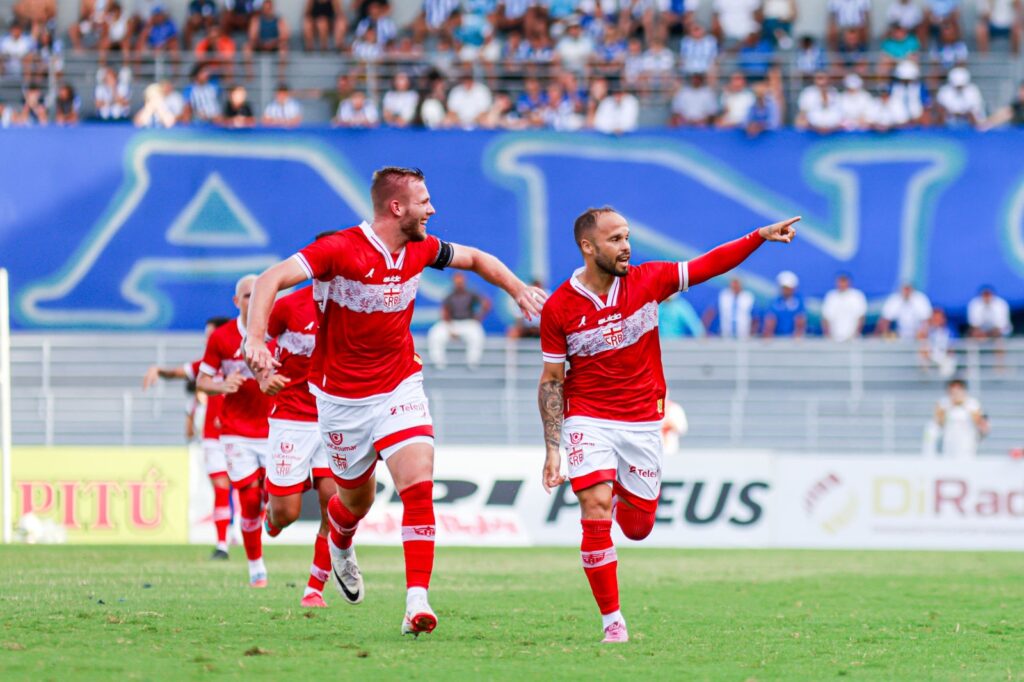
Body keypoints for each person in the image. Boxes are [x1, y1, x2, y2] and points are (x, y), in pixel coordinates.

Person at [244, 167, 546, 636]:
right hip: (340, 398)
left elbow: (478, 259)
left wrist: (518, 290)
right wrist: (256, 339)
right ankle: (341, 540)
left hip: (400, 385)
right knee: (354, 501)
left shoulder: (423, 248)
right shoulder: (339, 249)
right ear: (396, 208)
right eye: (425, 201)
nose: (433, 209)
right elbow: (269, 280)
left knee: (418, 484)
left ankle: (416, 603)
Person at [538, 207, 799, 643]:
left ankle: (620, 489)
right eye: (616, 239)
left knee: (638, 528)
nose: (626, 247)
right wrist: (552, 448)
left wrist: (759, 235)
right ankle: (612, 622)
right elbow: (551, 381)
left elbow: (708, 265)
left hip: (643, 420)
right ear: (588, 247)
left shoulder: (649, 280)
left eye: (627, 237)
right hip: (588, 417)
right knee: (595, 509)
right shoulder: (560, 307)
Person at [259, 278, 336, 608]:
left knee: (336, 507)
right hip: (291, 417)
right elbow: (256, 344)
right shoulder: (289, 306)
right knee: (287, 513)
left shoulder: (359, 305)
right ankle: (272, 517)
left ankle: (314, 588)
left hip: (337, 417)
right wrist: (263, 375)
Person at [197, 276, 273, 587]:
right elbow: (201, 381)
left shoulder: (278, 330)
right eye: (246, 296)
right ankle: (256, 565)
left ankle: (272, 516)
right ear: (236, 301)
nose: (252, 301)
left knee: (276, 497)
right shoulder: (222, 337)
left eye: (258, 295)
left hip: (276, 428)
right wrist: (221, 386)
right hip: (236, 431)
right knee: (249, 497)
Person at [427, 272, 491, 370]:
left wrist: (479, 317)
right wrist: (449, 328)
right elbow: (444, 312)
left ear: (464, 281)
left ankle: (472, 362)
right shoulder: (449, 295)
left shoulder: (471, 294)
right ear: (453, 281)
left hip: (468, 322)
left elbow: (486, 304)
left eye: (460, 281)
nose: (459, 283)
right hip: (452, 323)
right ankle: (438, 363)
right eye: (457, 281)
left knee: (477, 334)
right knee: (435, 333)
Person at [933, 379, 988, 459]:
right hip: (949, 442)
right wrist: (951, 405)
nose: (955, 392)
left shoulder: (972, 403)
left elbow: (980, 422)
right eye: (953, 389)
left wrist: (963, 404)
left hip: (967, 442)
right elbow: (939, 422)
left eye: (958, 389)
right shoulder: (943, 403)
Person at [821, 272, 866, 341]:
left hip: (853, 339)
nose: (842, 284)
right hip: (834, 338)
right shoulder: (831, 296)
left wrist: (855, 334)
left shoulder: (857, 296)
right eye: (840, 282)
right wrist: (828, 336)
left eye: (844, 282)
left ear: (849, 282)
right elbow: (825, 318)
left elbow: (861, 317)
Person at [762, 270, 806, 338]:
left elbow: (800, 320)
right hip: (776, 338)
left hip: (793, 340)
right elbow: (770, 320)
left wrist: (798, 336)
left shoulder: (799, 302)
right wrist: (768, 336)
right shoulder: (774, 301)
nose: (786, 290)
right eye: (784, 288)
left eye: (788, 288)